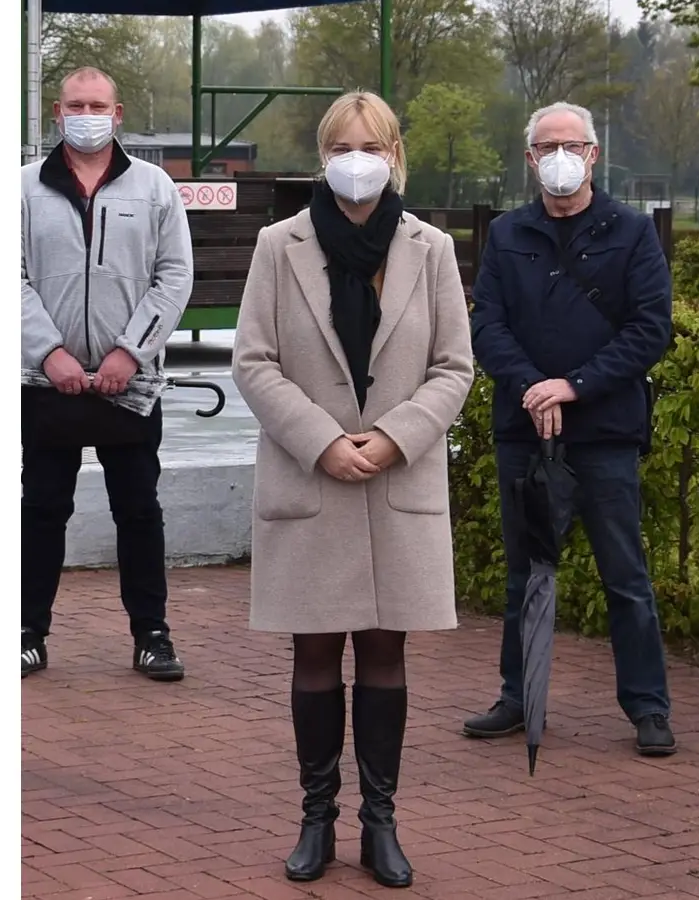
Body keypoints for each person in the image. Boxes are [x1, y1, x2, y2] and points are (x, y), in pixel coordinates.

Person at [232, 91, 474, 888]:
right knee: (312, 655)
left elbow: (453, 368)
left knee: (384, 655)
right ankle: (315, 821)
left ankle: (380, 822)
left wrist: (395, 436)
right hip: (312, 481)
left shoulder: (430, 248)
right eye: (343, 145)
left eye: (371, 144)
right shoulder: (280, 244)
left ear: (395, 153)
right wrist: (323, 440)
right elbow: (254, 362)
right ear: (322, 156)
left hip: (396, 482)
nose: (357, 157)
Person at [463, 101, 677, 757]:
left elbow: (650, 328)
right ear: (530, 159)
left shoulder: (632, 231)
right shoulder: (507, 233)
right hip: (524, 429)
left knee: (625, 577)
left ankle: (648, 707)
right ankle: (517, 696)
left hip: (605, 431)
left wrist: (575, 385)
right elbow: (486, 324)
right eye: (547, 146)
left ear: (593, 154)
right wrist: (530, 385)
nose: (561, 157)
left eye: (573, 145)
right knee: (524, 575)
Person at [21, 66, 193, 681]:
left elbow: (174, 277)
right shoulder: (21, 189)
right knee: (41, 508)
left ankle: (152, 634)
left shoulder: (154, 188)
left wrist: (130, 352)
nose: (85, 114)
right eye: (74, 104)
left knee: (139, 510)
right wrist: (49, 352)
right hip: (46, 385)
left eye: (97, 104)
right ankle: (26, 631)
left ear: (118, 114)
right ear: (55, 111)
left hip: (132, 385)